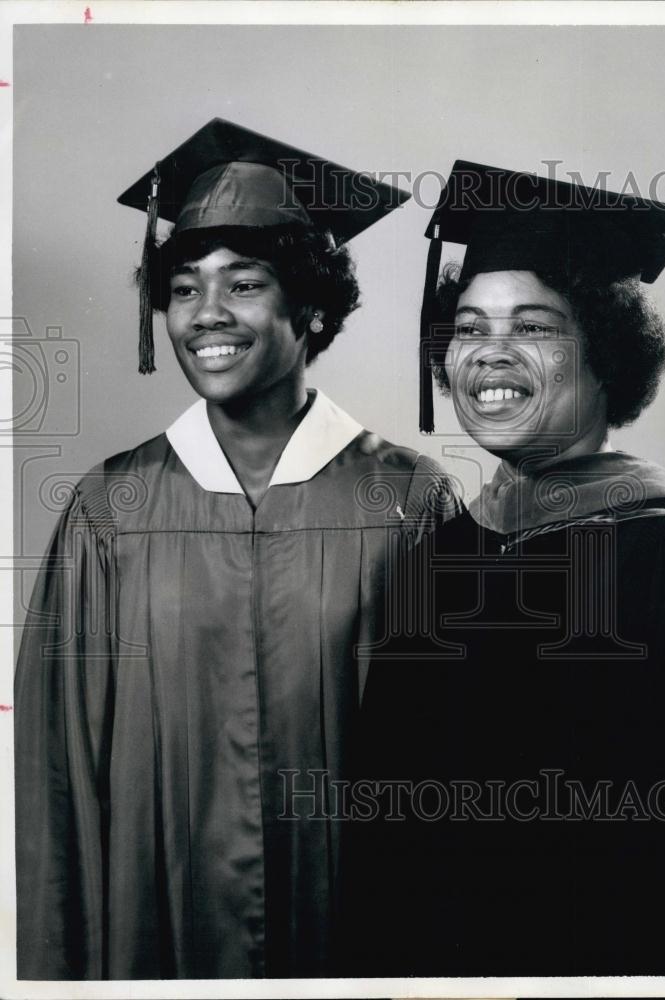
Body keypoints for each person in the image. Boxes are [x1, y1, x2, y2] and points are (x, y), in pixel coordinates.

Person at [14, 119, 461, 980]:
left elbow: (456, 772)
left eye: (245, 283)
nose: (207, 315)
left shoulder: (410, 503)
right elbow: (54, 784)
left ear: (313, 306)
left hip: (360, 942)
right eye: (183, 289)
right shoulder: (112, 509)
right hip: (151, 945)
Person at [356, 162, 665, 977]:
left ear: (608, 355)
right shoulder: (442, 554)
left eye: (534, 327)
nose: (490, 355)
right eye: (468, 328)